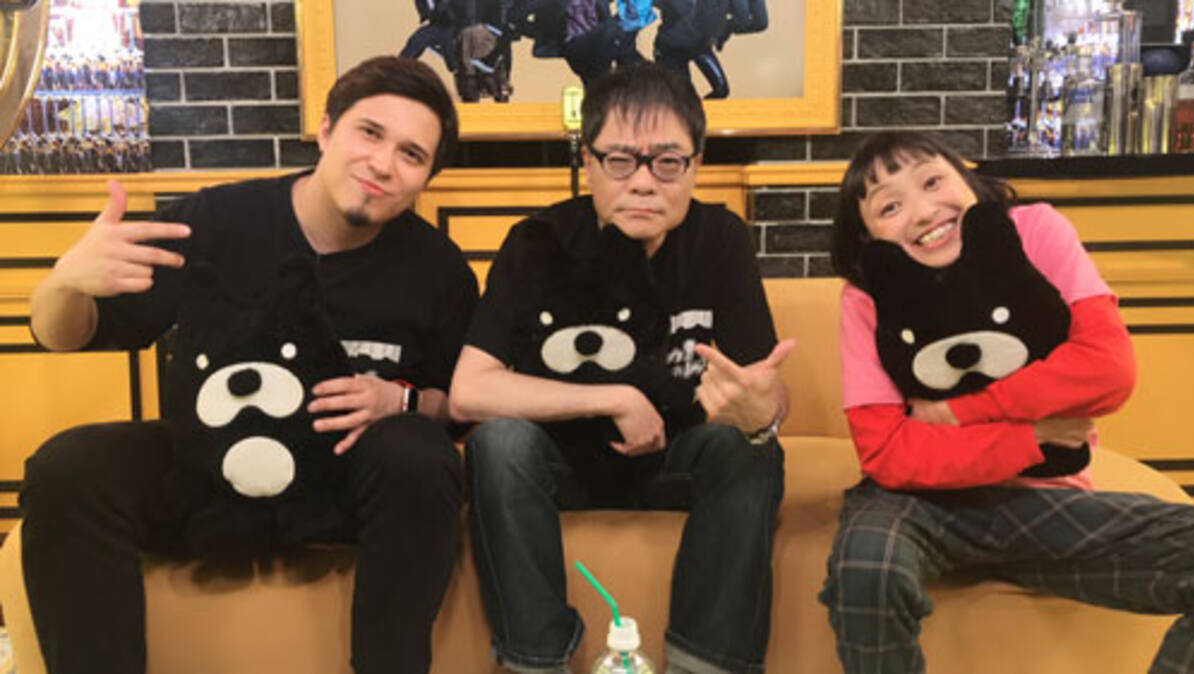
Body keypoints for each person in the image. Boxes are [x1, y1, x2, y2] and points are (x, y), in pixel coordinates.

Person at [22, 55, 478, 674]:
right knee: (68, 466)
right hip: (204, 472)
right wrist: (63, 283)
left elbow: (459, 408)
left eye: (411, 155)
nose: (382, 164)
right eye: (369, 133)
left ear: (426, 178)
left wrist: (400, 402)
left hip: (338, 483)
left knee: (418, 454)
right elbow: (71, 335)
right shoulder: (214, 222)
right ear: (326, 130)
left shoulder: (438, 270)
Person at [449, 62, 792, 674]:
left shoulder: (720, 240)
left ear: (696, 165)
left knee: (751, 452)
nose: (643, 183)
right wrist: (615, 398)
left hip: (675, 457)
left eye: (667, 162)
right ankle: (535, 663)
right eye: (620, 161)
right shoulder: (537, 242)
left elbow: (763, 390)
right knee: (497, 444)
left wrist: (762, 410)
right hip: (559, 461)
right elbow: (468, 390)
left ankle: (705, 666)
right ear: (588, 162)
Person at [819, 129, 1194, 673]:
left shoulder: (1036, 232)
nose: (923, 212)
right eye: (890, 207)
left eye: (933, 182)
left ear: (967, 180)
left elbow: (1108, 370)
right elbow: (886, 451)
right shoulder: (865, 297)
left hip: (1044, 500)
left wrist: (959, 413)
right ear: (867, 236)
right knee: (866, 568)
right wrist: (1035, 434)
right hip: (918, 504)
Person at [653, 0, 730, 99]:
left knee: (722, 89)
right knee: (683, 97)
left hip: (700, 46)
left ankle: (700, 108)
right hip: (671, 51)